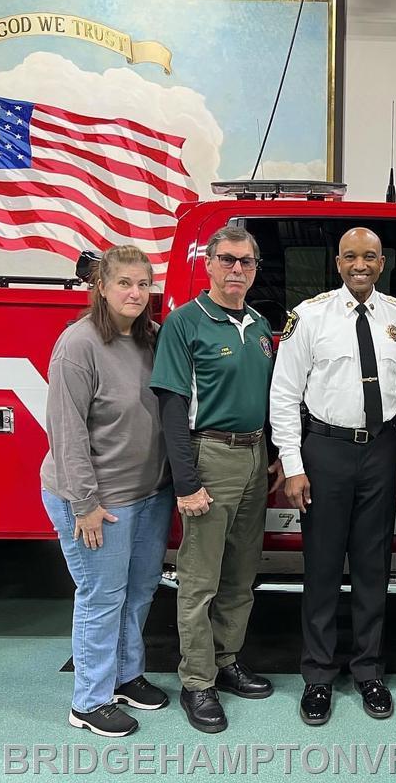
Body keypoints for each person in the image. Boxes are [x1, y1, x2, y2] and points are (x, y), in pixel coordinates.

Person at [270, 227, 396, 726]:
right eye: (352, 256)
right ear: (338, 263)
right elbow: (285, 394)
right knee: (323, 567)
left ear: (383, 263)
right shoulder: (309, 317)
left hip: (380, 450)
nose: (361, 264)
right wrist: (293, 465)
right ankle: (317, 675)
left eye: (371, 257)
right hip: (325, 452)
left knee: (375, 566)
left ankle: (368, 670)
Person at [150, 226, 283, 734]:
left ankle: (226, 661)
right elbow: (171, 406)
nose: (236, 269)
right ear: (208, 263)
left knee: (241, 574)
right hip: (208, 457)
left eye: (246, 262)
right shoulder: (185, 323)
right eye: (227, 260)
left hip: (252, 456)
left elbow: (266, 398)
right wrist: (186, 483)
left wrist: (270, 452)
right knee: (200, 580)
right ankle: (197, 682)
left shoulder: (258, 324)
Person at [40, 245, 172, 738]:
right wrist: (86, 505)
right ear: (101, 286)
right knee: (101, 596)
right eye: (124, 283)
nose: (135, 293)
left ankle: (124, 676)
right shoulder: (78, 344)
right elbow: (67, 431)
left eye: (143, 284)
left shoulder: (151, 338)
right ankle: (89, 701)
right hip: (97, 501)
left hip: (149, 494)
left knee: (139, 592)